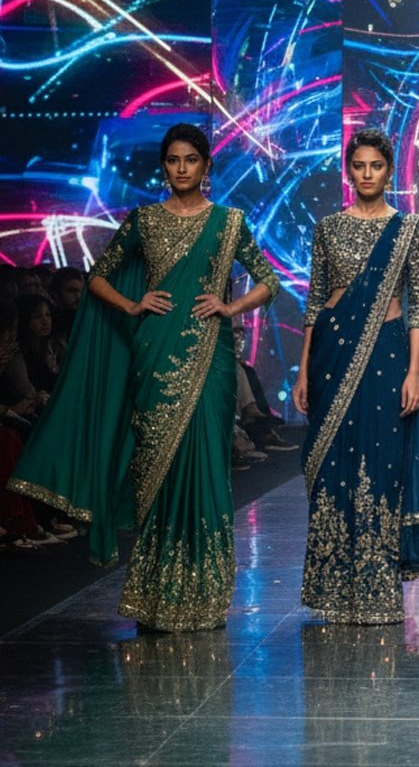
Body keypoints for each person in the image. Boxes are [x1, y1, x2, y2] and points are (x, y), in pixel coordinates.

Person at [7, 123, 281, 632]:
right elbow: (97, 277)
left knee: (206, 464)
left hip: (211, 359)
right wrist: (133, 305)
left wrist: (229, 306)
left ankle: (204, 591)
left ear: (206, 166)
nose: (182, 168)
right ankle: (157, 592)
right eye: (173, 160)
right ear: (163, 167)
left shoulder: (228, 222)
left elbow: (268, 280)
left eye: (191, 160)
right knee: (158, 466)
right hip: (153, 353)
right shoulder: (144, 221)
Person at [293, 127, 419, 624]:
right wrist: (303, 371)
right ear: (348, 171)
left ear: (389, 170)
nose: (367, 174)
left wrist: (414, 371)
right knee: (332, 464)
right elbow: (315, 301)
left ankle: (378, 586)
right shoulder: (329, 227)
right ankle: (333, 586)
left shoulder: (408, 228)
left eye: (376, 166)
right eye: (358, 166)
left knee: (381, 464)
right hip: (331, 354)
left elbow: (418, 306)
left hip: (387, 352)